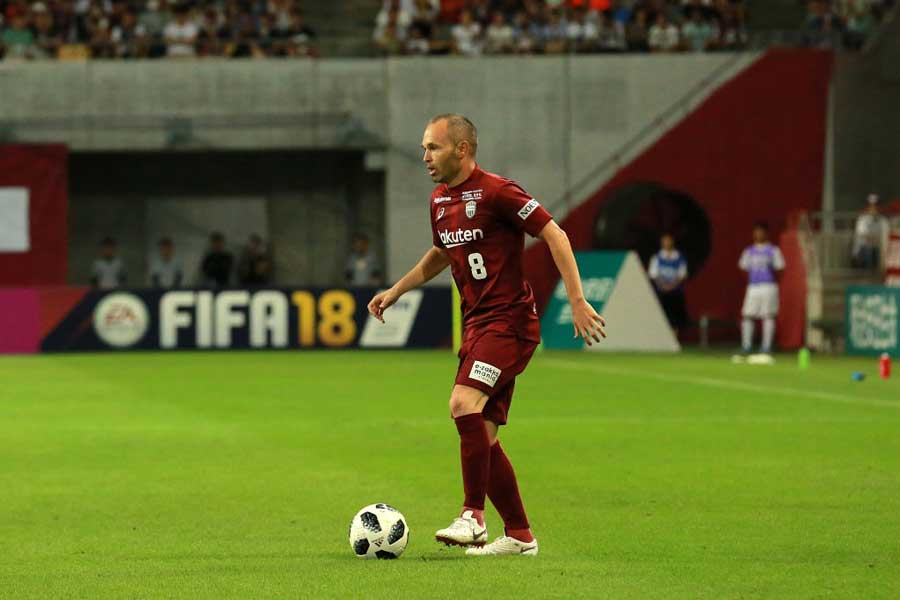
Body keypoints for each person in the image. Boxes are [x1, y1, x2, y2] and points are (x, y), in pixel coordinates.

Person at [367, 114, 606, 557]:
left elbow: (555, 234)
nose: (425, 157)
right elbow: (441, 253)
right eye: (423, 148)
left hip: (509, 323)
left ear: (462, 149)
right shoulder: (439, 200)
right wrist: (396, 290)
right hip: (477, 325)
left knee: (462, 403)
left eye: (433, 147)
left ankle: (472, 516)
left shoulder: (499, 192)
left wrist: (576, 299)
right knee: (485, 435)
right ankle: (520, 535)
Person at [738, 222, 785, 356]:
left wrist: (771, 280)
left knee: (768, 315)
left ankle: (766, 346)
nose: (758, 234)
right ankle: (746, 345)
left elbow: (780, 268)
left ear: (766, 233)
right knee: (748, 314)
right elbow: (743, 268)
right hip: (753, 287)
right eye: (756, 231)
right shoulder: (749, 251)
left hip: (768, 286)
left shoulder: (773, 250)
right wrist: (753, 279)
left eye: (760, 231)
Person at [648, 233, 689, 334]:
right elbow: (653, 274)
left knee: (675, 317)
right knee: (661, 315)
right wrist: (663, 286)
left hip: (676, 292)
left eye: (668, 240)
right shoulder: (657, 257)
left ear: (672, 241)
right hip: (661, 292)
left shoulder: (679, 257)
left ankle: (675, 335)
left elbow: (681, 275)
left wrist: (671, 286)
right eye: (664, 241)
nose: (666, 243)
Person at [852, 193, 888, 270]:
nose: (873, 208)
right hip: (865, 248)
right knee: (868, 250)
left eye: (875, 206)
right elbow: (860, 235)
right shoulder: (862, 219)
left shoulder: (883, 220)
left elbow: (885, 236)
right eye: (870, 206)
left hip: (880, 248)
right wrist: (855, 253)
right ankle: (868, 272)